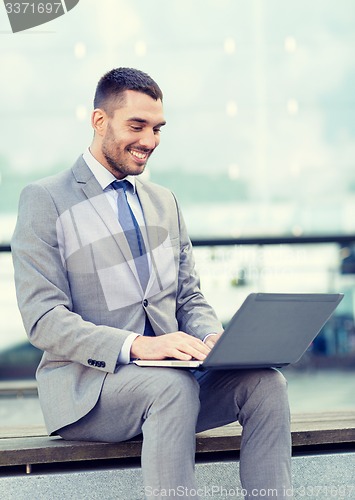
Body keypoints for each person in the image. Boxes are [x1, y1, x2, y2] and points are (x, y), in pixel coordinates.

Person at [12, 67, 292, 499]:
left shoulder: (164, 200)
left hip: (173, 380)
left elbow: (189, 297)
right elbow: (43, 319)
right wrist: (136, 346)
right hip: (90, 392)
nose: (150, 140)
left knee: (265, 383)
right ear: (99, 121)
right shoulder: (45, 199)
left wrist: (213, 337)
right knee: (171, 387)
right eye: (137, 126)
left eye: (157, 128)